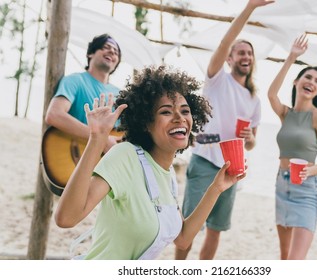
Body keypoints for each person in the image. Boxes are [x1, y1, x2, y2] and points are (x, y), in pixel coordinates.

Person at [54, 65, 247, 260]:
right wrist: (97, 139)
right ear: (146, 122)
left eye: (185, 111)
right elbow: (66, 218)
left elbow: (182, 239)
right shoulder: (125, 156)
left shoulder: (168, 174)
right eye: (166, 112)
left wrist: (216, 188)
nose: (180, 118)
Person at [175, 0, 275, 260]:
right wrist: (250, 8)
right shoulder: (217, 79)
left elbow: (251, 144)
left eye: (249, 53)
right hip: (205, 161)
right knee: (188, 227)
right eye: (240, 52)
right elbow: (223, 42)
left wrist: (251, 138)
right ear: (229, 58)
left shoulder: (254, 100)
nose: (246, 56)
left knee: (215, 230)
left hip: (233, 168)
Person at [267, 34, 317, 260]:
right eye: (308, 77)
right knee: (285, 258)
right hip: (282, 186)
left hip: (307, 191)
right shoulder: (286, 114)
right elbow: (271, 94)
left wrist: (308, 171)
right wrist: (292, 57)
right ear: (296, 82)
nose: (312, 82)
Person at [45, 33, 122, 153]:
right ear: (90, 53)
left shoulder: (121, 94)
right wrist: (101, 139)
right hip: (74, 157)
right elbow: (54, 115)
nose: (112, 51)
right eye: (106, 47)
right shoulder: (74, 80)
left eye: (116, 52)